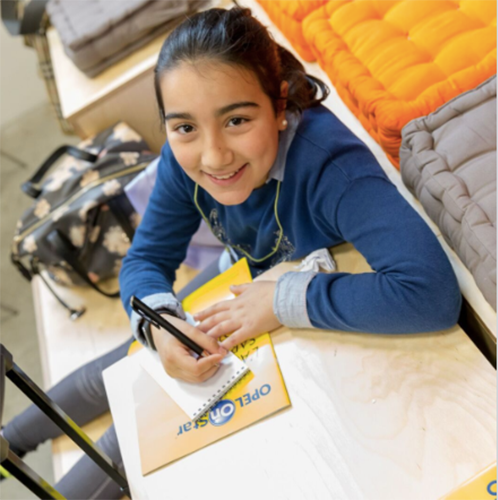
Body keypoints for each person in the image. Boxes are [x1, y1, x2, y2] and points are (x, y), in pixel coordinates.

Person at [0, 7, 461, 499]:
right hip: (246, 274)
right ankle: (11, 441)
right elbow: (146, 260)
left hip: (294, 293)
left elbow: (430, 293)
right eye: (184, 127)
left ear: (279, 105)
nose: (214, 156)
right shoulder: (182, 160)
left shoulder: (332, 168)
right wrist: (161, 326)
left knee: (137, 422)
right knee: (125, 362)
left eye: (237, 120)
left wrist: (280, 300)